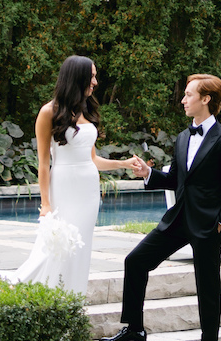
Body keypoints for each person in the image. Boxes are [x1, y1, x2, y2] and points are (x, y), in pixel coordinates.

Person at [98, 73, 221, 341]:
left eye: (189, 95)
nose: (183, 100)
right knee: (135, 261)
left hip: (207, 226)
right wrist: (148, 173)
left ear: (206, 100)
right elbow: (176, 180)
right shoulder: (182, 138)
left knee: (208, 289)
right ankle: (134, 328)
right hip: (177, 219)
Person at [13, 55, 133, 293]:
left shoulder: (86, 109)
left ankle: (74, 294)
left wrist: (125, 164)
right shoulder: (48, 112)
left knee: (80, 246)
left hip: (88, 190)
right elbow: (43, 163)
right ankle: (45, 292)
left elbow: (93, 160)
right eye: (92, 77)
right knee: (59, 245)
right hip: (64, 187)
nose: (96, 82)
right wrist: (45, 204)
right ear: (77, 78)